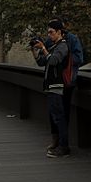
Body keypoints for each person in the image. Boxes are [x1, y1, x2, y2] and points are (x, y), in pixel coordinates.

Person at [32, 19, 70, 157]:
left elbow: (53, 60)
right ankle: (56, 143)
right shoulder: (53, 46)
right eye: (48, 32)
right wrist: (35, 50)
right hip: (50, 86)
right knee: (53, 116)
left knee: (59, 117)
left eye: (51, 32)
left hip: (57, 86)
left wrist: (43, 48)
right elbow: (42, 62)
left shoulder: (63, 46)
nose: (49, 35)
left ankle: (64, 147)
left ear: (59, 32)